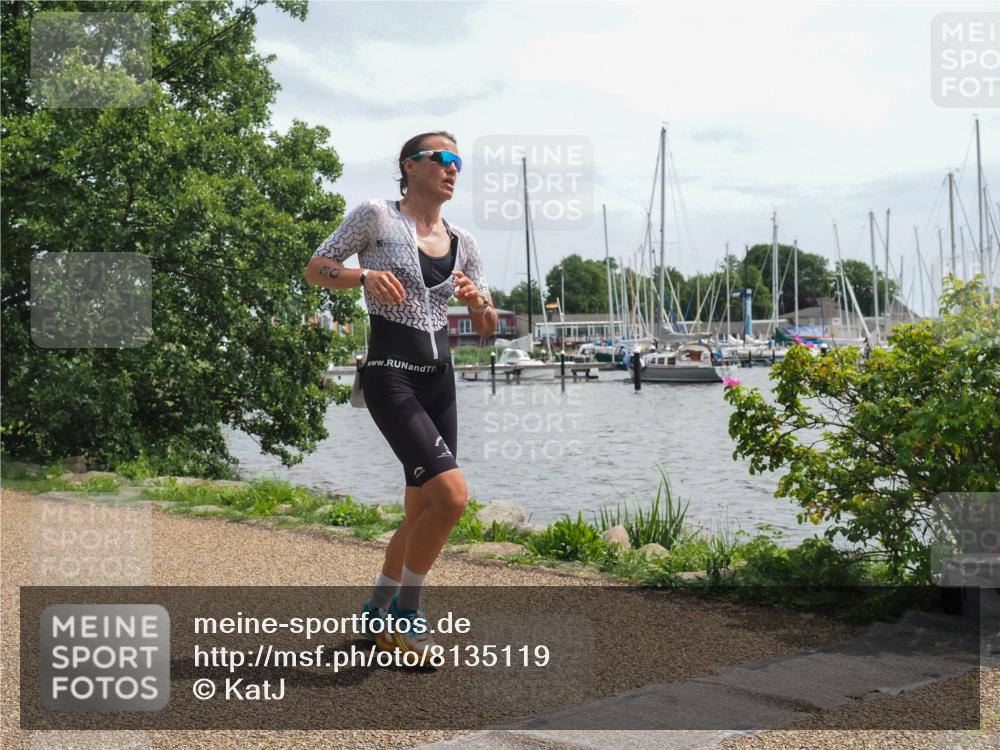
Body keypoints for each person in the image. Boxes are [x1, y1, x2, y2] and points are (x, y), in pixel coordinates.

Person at [304, 131, 496, 664]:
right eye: (443, 159)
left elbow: (486, 325)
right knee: (452, 497)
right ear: (410, 166)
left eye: (459, 161)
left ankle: (375, 609)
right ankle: (408, 617)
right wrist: (363, 274)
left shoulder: (465, 242)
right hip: (392, 375)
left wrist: (480, 302)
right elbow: (316, 267)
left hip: (440, 379)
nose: (454, 168)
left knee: (421, 510)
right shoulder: (376, 215)